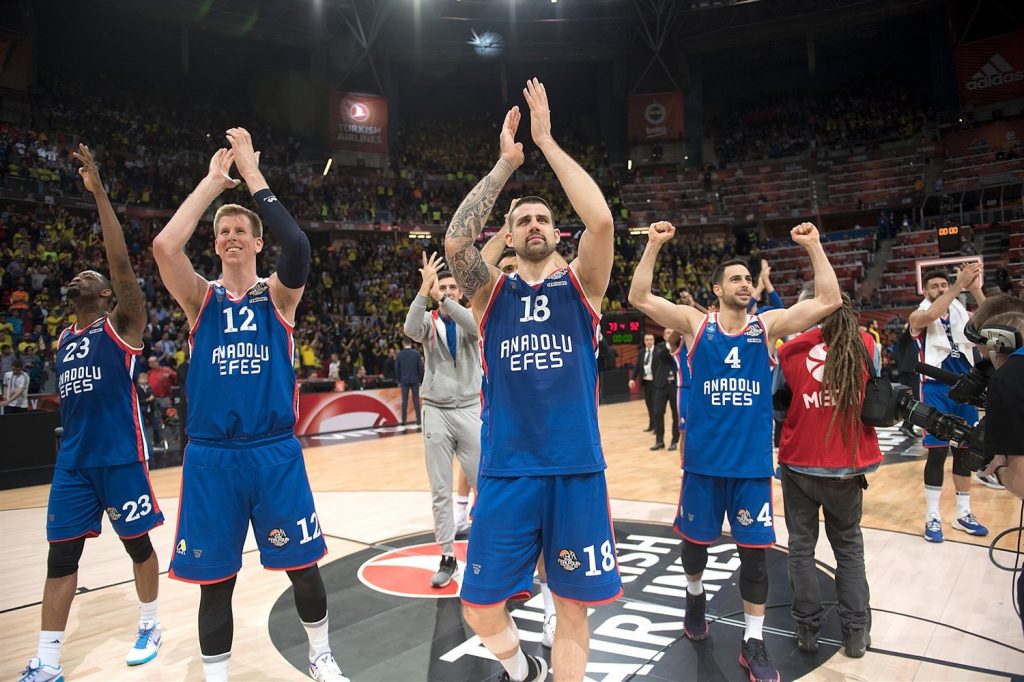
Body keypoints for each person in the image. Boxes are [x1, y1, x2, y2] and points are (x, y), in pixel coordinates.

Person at [152, 129, 348, 682]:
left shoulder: (279, 297)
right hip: (213, 458)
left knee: (303, 568)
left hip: (273, 454)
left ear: (258, 243)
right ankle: (217, 676)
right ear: (214, 244)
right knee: (216, 582)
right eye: (223, 231)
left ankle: (320, 654)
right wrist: (213, 183)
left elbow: (301, 246)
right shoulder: (200, 300)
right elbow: (166, 248)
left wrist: (254, 176)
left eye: (242, 230)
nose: (231, 235)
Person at [444, 78, 620, 682]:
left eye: (544, 218)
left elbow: (600, 222)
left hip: (574, 468)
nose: (536, 225)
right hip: (508, 469)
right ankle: (523, 670)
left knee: (572, 608)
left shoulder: (583, 288)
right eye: (525, 220)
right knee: (478, 605)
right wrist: (504, 167)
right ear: (511, 237)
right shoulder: (490, 295)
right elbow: (456, 240)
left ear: (555, 232)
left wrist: (545, 141)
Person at [628, 219, 841, 682]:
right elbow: (639, 298)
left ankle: (754, 641)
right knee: (695, 548)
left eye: (749, 278)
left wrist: (815, 246)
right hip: (703, 466)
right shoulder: (695, 325)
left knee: (755, 556)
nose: (745, 284)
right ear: (717, 289)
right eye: (737, 279)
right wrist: (652, 246)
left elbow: (829, 301)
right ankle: (694, 595)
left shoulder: (765, 327)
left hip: (749, 467)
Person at [19, 144, 164, 682]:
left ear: (106, 292)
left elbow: (122, 262)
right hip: (74, 463)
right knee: (61, 560)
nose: (81, 274)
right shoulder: (62, 338)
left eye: (91, 273)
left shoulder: (122, 323)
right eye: (77, 272)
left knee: (138, 546)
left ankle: (150, 621)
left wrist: (99, 191)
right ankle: (48, 659)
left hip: (119, 456)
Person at [776, 286, 882, 658]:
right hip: (847, 466)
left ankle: (808, 630)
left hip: (800, 463)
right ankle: (855, 633)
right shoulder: (866, 344)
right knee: (849, 549)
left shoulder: (789, 350)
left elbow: (778, 407)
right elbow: (874, 396)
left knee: (801, 550)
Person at [402, 250, 482, 588]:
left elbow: (475, 327)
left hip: (468, 408)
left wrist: (444, 302)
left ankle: (491, 550)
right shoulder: (429, 321)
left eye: (452, 288)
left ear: (460, 292)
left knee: (485, 484)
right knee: (439, 489)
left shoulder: (469, 315)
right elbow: (409, 328)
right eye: (442, 287)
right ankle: (447, 555)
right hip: (435, 410)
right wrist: (424, 290)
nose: (446, 291)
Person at [909, 264, 987, 542]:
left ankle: (963, 512)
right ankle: (932, 516)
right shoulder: (918, 315)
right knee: (938, 452)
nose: (941, 289)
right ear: (925, 290)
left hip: (966, 387)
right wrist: (956, 286)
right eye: (935, 286)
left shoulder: (962, 314)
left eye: (944, 285)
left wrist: (974, 288)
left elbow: (991, 318)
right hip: (935, 389)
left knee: (966, 451)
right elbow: (931, 314)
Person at [649, 327, 679, 451]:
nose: (670, 334)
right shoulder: (659, 348)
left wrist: (674, 346)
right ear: (664, 336)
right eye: (667, 333)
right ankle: (659, 441)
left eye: (672, 332)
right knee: (658, 412)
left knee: (676, 415)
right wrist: (670, 346)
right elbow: (661, 358)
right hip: (661, 385)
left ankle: (674, 441)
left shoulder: (680, 347)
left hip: (675, 385)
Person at [629, 333, 657, 433]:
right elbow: (637, 366)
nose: (649, 341)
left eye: (651, 339)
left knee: (656, 405)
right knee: (649, 404)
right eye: (647, 340)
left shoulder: (658, 351)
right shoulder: (641, 352)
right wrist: (632, 378)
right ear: (644, 341)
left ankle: (657, 427)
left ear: (654, 341)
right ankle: (652, 425)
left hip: (656, 383)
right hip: (646, 382)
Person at [395, 338, 423, 425]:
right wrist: (421, 380)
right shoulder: (416, 354)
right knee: (416, 400)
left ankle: (404, 421)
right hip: (415, 379)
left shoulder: (399, 355)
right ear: (411, 343)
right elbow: (420, 369)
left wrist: (398, 380)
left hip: (404, 380)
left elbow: (397, 369)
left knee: (404, 401)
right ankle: (418, 420)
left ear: (403, 343)